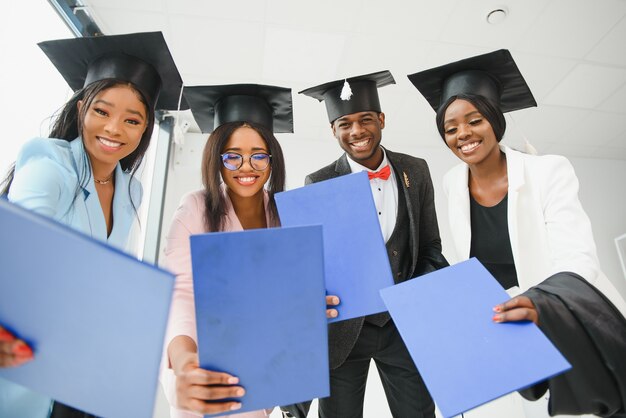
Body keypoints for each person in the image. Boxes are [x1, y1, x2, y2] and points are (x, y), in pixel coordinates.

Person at [408, 49, 626, 418]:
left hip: (556, 313)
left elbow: (578, 258)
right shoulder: (451, 182)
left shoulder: (548, 171)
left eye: (474, 120)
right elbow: (468, 263)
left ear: (495, 119)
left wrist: (542, 302)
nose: (463, 134)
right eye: (450, 128)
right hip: (500, 325)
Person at [0, 31, 184, 418]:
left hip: (80, 366)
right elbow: (22, 248)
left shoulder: (129, 190)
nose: (115, 129)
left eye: (132, 119)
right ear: (82, 107)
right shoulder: (51, 163)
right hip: (24, 353)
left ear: (146, 128)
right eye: (102, 111)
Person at [160, 83, 340, 417]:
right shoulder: (195, 209)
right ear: (217, 159)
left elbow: (284, 299)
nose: (247, 167)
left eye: (259, 155)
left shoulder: (287, 215)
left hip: (262, 376)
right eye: (233, 157)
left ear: (272, 160)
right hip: (206, 368)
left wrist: (310, 303)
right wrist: (185, 363)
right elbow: (181, 294)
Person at [281, 71, 448, 418]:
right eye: (344, 123)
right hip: (344, 332)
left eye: (365, 120)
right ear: (333, 130)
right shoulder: (318, 181)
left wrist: (427, 296)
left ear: (381, 119)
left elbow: (431, 245)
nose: (356, 131)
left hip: (402, 326)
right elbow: (315, 265)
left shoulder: (416, 170)